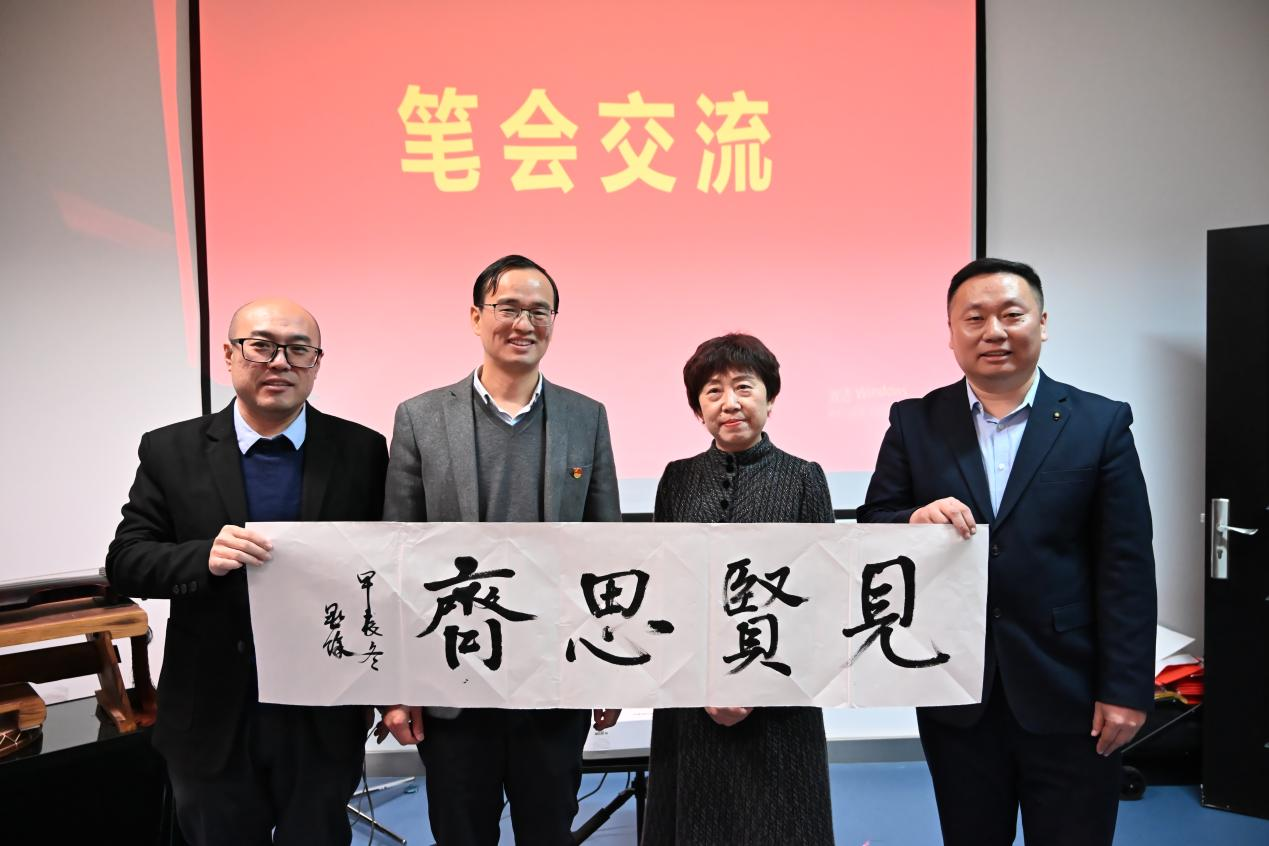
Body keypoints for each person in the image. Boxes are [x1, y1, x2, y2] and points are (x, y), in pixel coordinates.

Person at [856, 257, 1157, 846]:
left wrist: (1125, 689)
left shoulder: (1100, 423)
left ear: (1042, 323)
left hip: (1072, 692)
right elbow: (872, 527)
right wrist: (914, 520)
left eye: (1011, 315)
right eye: (974, 318)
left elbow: (1127, 567)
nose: (993, 331)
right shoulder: (915, 422)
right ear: (951, 333)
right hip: (956, 691)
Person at [106, 298, 388, 845]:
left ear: (316, 362)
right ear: (230, 355)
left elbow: (386, 568)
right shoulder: (170, 449)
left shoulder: (362, 450)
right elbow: (126, 562)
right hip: (210, 711)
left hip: (321, 711)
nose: (279, 362)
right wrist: (201, 557)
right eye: (261, 346)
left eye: (298, 349)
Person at [379, 255, 622, 846]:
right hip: (452, 683)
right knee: (461, 834)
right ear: (475, 317)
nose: (524, 323)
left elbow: (606, 550)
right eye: (508, 308)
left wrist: (610, 671)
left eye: (540, 311)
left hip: (554, 681)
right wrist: (397, 684)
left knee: (549, 833)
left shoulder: (586, 417)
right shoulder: (420, 417)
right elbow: (397, 555)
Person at [641, 333, 835, 846]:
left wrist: (756, 687)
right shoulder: (676, 479)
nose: (729, 403)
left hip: (782, 699)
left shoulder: (804, 478)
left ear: (770, 398)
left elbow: (821, 594)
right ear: (698, 409)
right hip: (691, 697)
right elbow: (666, 589)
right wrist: (706, 683)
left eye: (744, 387)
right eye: (713, 391)